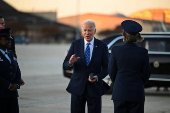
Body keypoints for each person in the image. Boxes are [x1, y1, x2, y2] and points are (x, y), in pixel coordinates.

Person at [63, 20, 110, 113]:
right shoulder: (75, 44)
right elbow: (65, 65)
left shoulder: (102, 46)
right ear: (82, 31)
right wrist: (70, 62)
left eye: (89, 30)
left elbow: (107, 68)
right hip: (77, 87)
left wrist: (98, 77)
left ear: (95, 31)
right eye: (85, 30)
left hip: (94, 88)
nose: (87, 33)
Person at [108, 20, 151, 113]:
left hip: (120, 92)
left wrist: (119, 82)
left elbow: (111, 72)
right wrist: (138, 84)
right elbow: (146, 74)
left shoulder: (115, 50)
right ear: (137, 36)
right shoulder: (143, 52)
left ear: (124, 35)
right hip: (137, 93)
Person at [0, 28, 21, 113]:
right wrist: (8, 85)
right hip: (1, 94)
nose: (9, 41)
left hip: (12, 95)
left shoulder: (11, 54)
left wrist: (17, 84)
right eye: (6, 39)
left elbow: (17, 71)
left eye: (10, 39)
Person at [0, 15, 25, 85]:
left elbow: (14, 59)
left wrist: (18, 76)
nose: (1, 26)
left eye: (3, 23)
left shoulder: (10, 39)